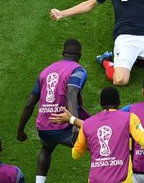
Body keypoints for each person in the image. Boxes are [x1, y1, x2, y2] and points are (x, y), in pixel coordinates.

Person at [16, 38, 90, 183]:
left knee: (46, 147)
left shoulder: (45, 72)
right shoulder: (78, 70)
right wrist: (75, 125)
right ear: (80, 55)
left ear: (63, 53)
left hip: (44, 128)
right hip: (65, 127)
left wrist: (20, 130)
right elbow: (71, 93)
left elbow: (29, 104)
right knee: (99, 144)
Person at [71, 86, 144, 183]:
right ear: (118, 102)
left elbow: (75, 155)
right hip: (122, 180)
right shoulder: (129, 118)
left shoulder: (88, 124)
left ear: (100, 103)